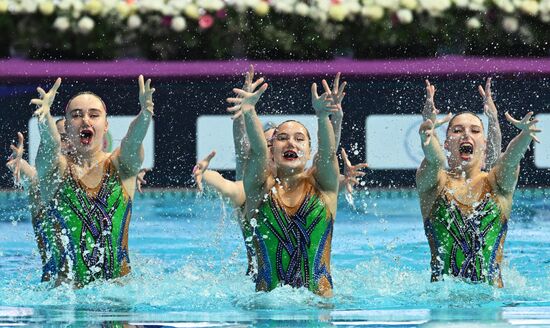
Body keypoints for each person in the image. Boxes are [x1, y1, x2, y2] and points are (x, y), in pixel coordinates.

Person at [29, 75, 155, 287]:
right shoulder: (55, 171)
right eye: (76, 115)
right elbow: (49, 146)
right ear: (67, 127)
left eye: (94, 115)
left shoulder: (122, 166)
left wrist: (145, 114)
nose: (85, 120)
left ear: (105, 125)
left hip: (118, 298)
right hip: (65, 302)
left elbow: (133, 141)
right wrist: (45, 119)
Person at [417, 78, 541, 287]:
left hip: (493, 307)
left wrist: (525, 136)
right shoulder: (434, 184)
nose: (466, 134)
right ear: (446, 143)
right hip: (443, 307)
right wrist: (428, 137)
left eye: (475, 130)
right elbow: (435, 160)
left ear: (483, 143)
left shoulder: (496, 183)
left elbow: (510, 160)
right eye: (457, 130)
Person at [225, 73, 340, 297]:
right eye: (282, 137)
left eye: (299, 139)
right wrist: (249, 111)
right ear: (272, 149)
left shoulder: (323, 188)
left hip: (319, 309)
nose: (291, 142)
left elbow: (328, 154)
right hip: (266, 310)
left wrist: (322, 116)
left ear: (308, 152)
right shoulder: (259, 189)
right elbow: (256, 151)